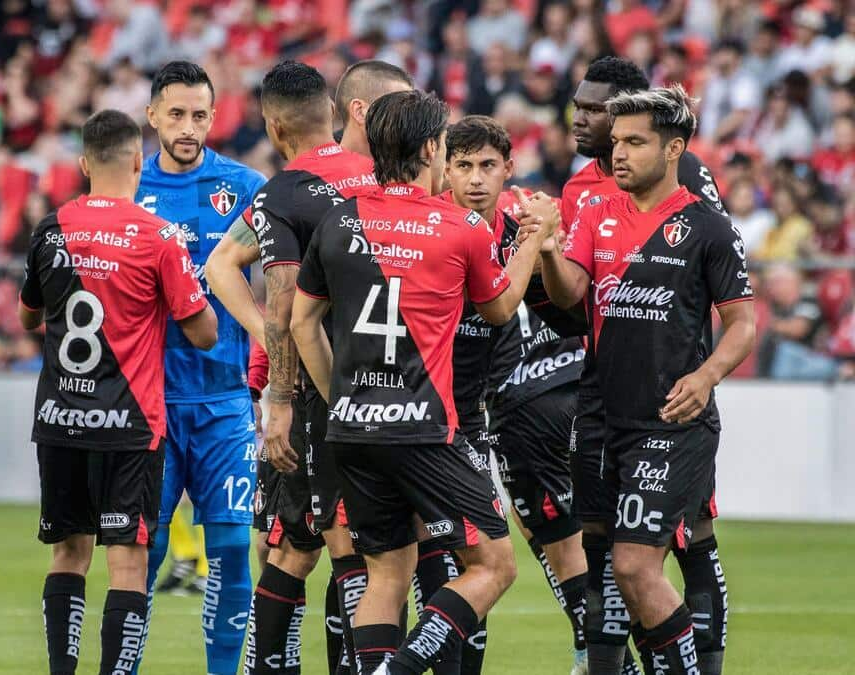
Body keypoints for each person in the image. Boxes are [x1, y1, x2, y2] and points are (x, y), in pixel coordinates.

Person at [290, 89, 555, 674]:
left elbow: (302, 323)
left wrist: (343, 399)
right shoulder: (458, 226)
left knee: (386, 572)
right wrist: (535, 236)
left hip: (352, 429)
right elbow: (501, 307)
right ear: (433, 148)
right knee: (494, 565)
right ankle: (400, 669)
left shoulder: (340, 220)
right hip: (423, 427)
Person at [538, 84, 755, 675]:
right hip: (602, 416)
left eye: (635, 142)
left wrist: (706, 377)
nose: (620, 154)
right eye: (616, 143)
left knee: (635, 566)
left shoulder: (709, 229)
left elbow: (742, 327)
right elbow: (570, 296)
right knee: (607, 563)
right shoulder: (596, 213)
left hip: (670, 420)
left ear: (673, 149)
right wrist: (552, 252)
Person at [205, 59, 412, 675]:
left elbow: (232, 274)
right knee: (363, 545)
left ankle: (271, 663)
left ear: (272, 125)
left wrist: (274, 372)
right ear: (333, 111)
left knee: (294, 544)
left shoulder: (281, 192)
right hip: (384, 379)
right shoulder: (385, 180)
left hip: (303, 388)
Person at [17, 108, 218, 675]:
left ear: (84, 163)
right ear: (138, 162)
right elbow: (203, 333)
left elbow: (29, 316)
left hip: (58, 418)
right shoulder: (158, 238)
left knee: (68, 553)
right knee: (127, 565)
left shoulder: (51, 227)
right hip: (127, 424)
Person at [439, 116, 591, 674]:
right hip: (437, 415)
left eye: (488, 167)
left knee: (512, 547)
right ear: (444, 170)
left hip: (501, 410)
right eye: (464, 166)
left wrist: (546, 245)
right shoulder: (434, 228)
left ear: (508, 169)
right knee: (483, 555)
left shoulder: (519, 225)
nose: (476, 179)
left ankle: (596, 646)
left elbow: (569, 315)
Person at [135, 60, 266, 675]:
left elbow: (287, 284)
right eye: (177, 114)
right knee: (145, 549)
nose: (189, 127)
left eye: (200, 115)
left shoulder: (245, 185)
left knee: (235, 546)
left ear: (215, 117)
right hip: (151, 402)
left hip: (224, 401)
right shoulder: (129, 191)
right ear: (152, 114)